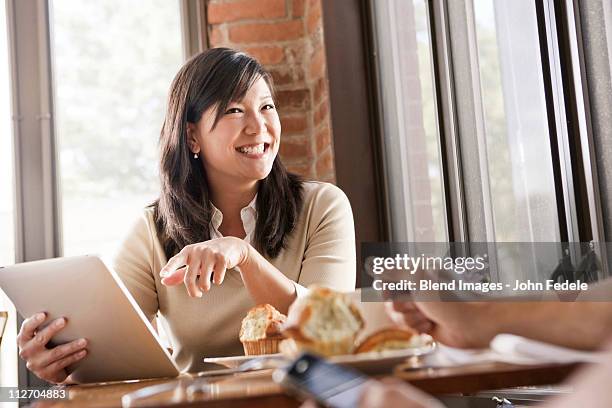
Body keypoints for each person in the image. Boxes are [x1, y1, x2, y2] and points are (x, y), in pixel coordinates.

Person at [16, 48, 356, 384]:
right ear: (192, 136)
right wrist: (63, 362)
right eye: (235, 110)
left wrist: (244, 256)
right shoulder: (153, 229)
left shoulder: (322, 206)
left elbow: (330, 327)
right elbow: (106, 351)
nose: (259, 126)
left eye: (266, 106)